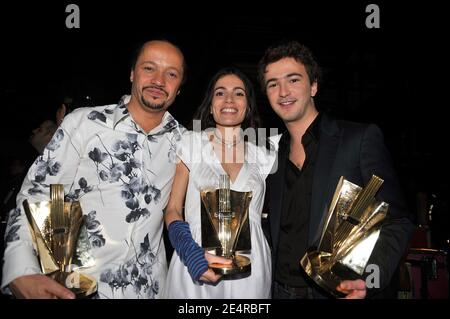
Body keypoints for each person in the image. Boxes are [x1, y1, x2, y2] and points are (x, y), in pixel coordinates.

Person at [1, 39, 186, 299]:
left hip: (150, 292)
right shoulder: (85, 123)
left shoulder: (185, 143)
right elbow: (38, 195)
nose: (158, 80)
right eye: (149, 68)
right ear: (132, 73)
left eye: (171, 74)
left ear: (179, 88)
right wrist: (20, 269)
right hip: (76, 288)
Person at [257, 40, 415, 299]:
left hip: (335, 293)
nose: (283, 91)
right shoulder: (268, 155)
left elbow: (398, 220)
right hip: (277, 291)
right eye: (273, 84)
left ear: (314, 86)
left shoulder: (359, 139)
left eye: (293, 80)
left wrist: (369, 278)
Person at [162, 67, 276, 298]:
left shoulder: (265, 154)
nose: (229, 99)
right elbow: (173, 209)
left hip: (251, 269)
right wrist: (190, 253)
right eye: (220, 93)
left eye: (239, 93)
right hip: (195, 260)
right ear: (211, 106)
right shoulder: (192, 143)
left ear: (248, 105)